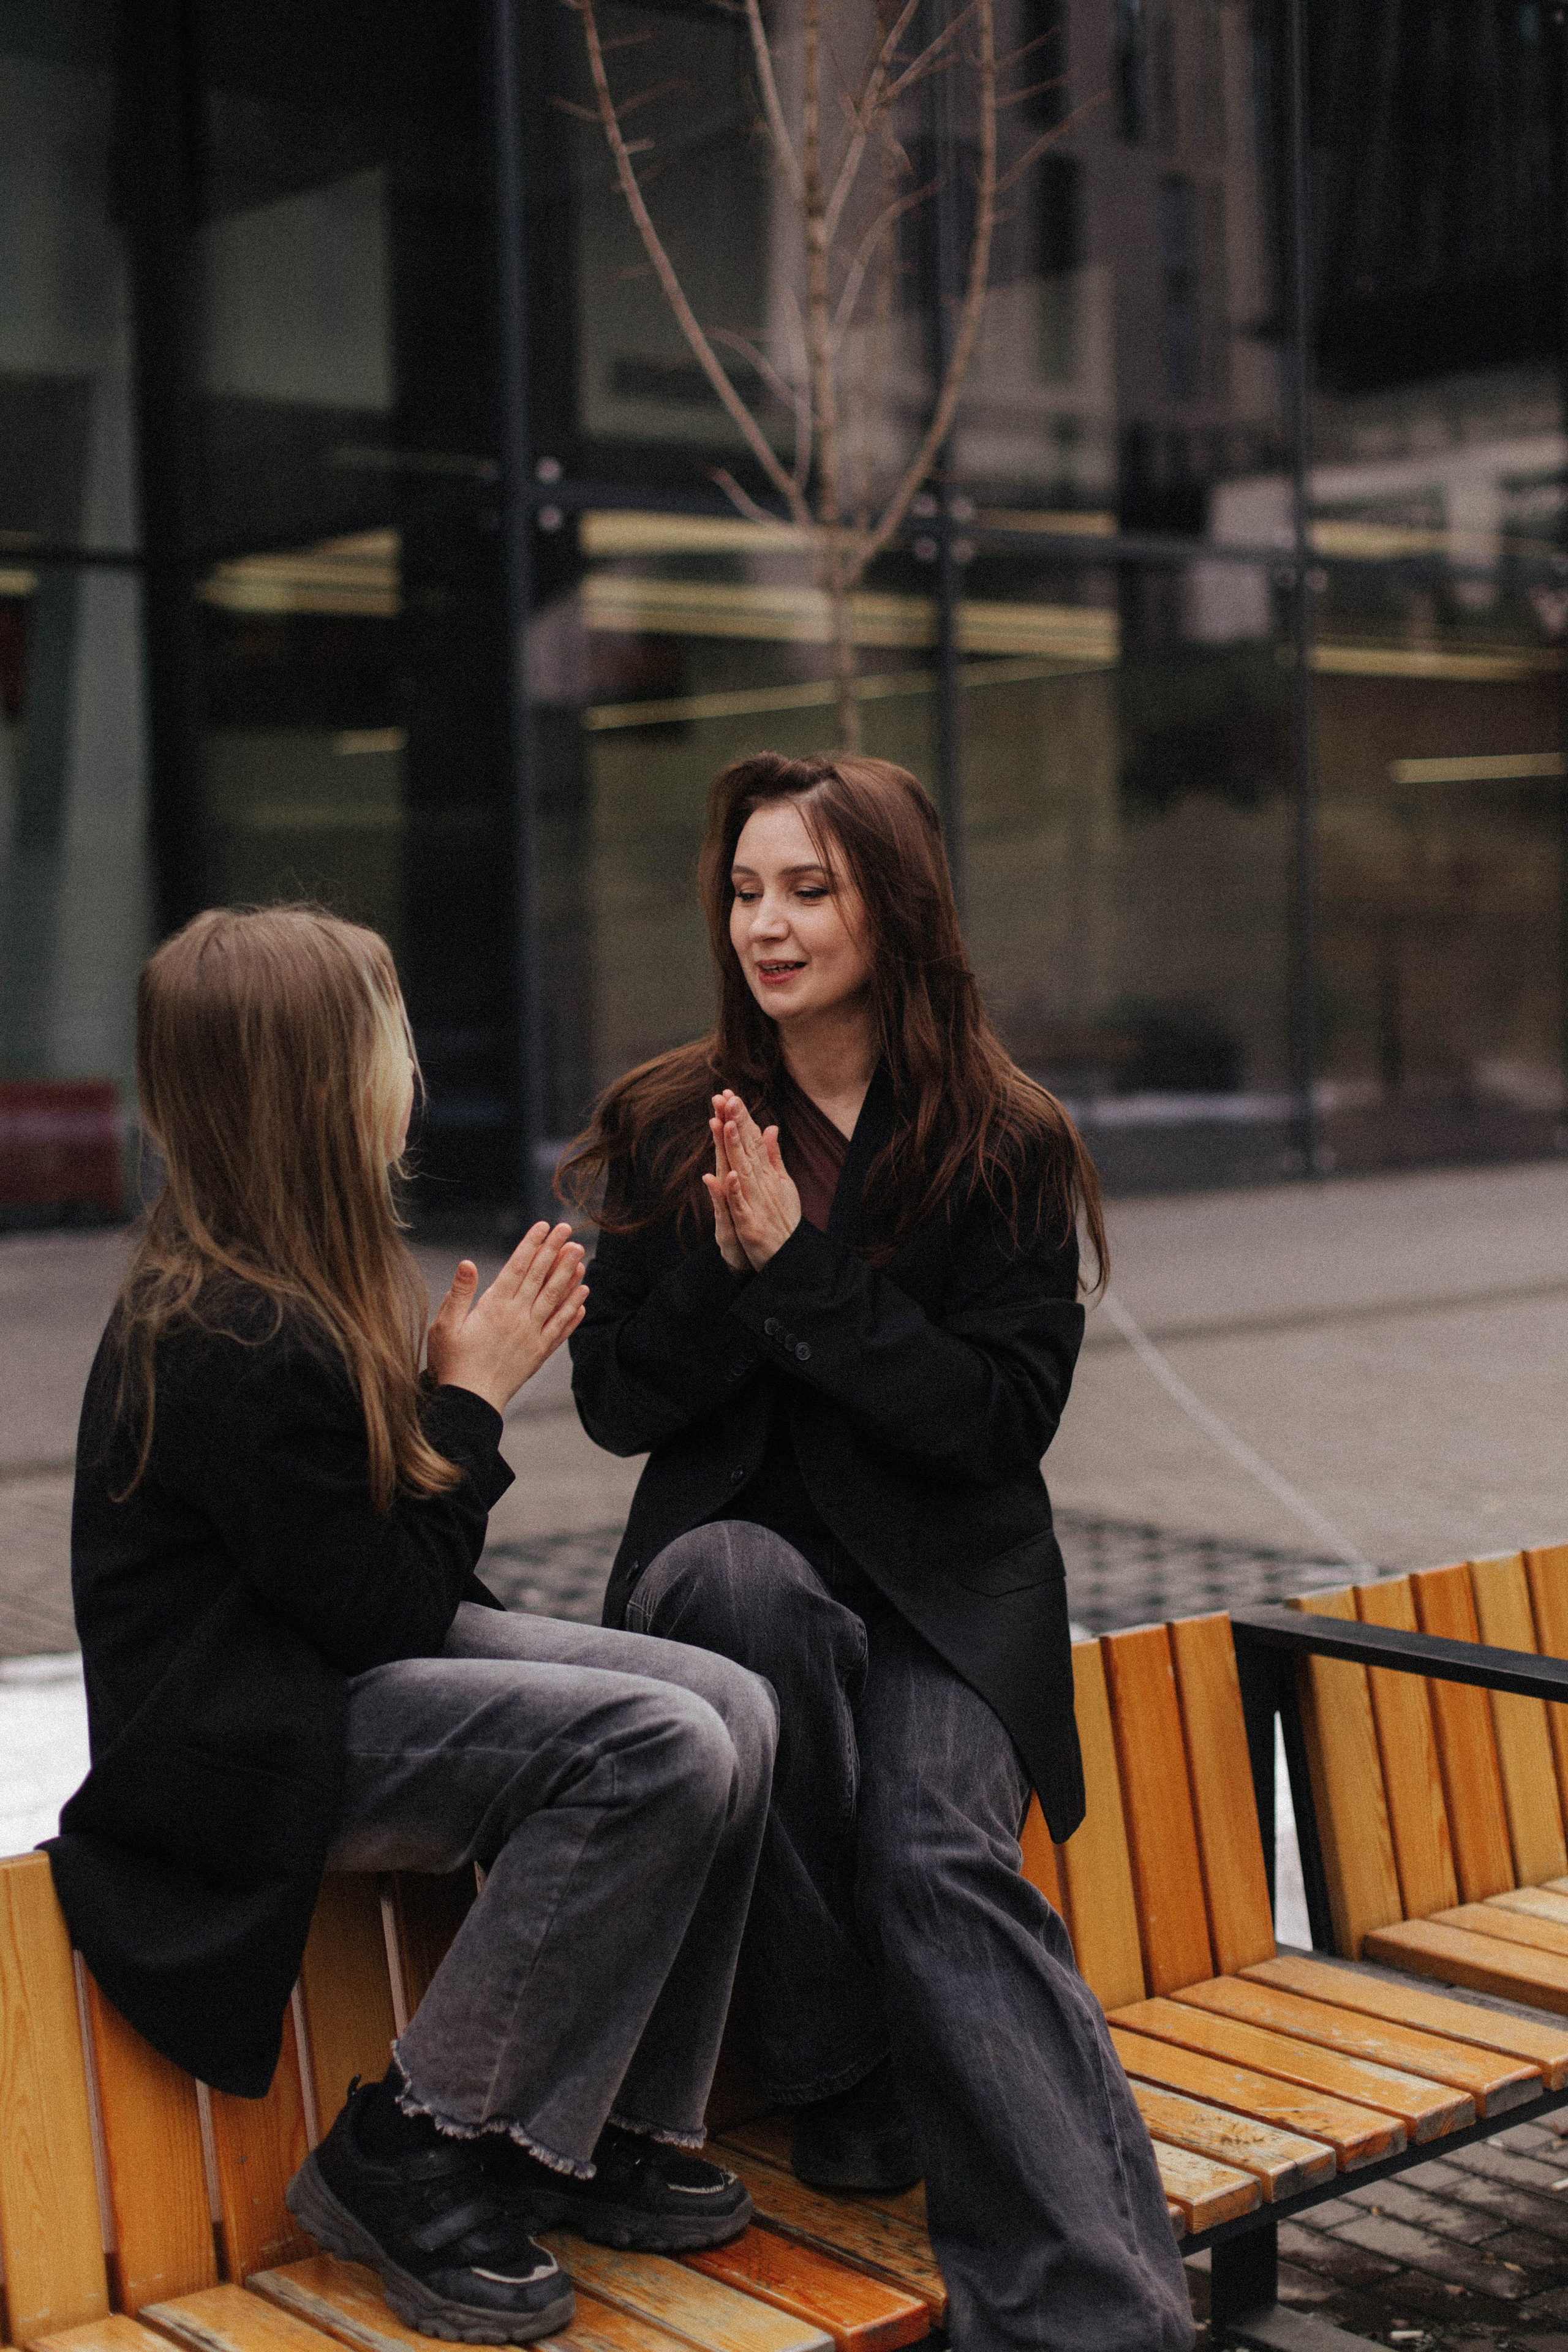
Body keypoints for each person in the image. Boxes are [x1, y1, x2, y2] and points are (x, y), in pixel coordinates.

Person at [49, 906, 779, 2346]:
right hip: (233, 1756)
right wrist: (472, 1404)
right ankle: (411, 2144)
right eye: (386, 1046)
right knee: (654, 1746)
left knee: (733, 1707)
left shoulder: (287, 1283)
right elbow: (382, 1606)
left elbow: (369, 1587)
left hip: (319, 1687)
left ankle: (600, 2126)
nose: (411, 1078)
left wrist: (444, 1404)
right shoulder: (226, 1328)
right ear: (315, 1087)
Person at [563, 754, 1194, 2352]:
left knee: (932, 1858)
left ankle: (1092, 2319)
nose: (765, 924)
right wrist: (729, 1264)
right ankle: (843, 2070)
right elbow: (621, 1404)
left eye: (808, 890)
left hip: (946, 1602)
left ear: (892, 908)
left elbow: (994, 1422)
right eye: (746, 889)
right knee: (729, 1586)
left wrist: (803, 1272)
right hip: (743, 1598)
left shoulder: (1001, 1145)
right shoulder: (665, 1124)